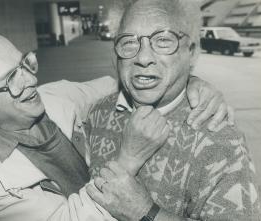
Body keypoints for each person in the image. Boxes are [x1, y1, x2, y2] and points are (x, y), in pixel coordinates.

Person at [0, 19, 232, 221]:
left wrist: (186, 82)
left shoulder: (56, 96)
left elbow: (117, 84)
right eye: (11, 79)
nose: (30, 79)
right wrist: (129, 159)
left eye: (24, 62)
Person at [85, 0, 261, 221]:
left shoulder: (222, 141)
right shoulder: (97, 113)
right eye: (129, 42)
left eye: (163, 40)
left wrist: (146, 213)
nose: (143, 58)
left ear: (192, 53)